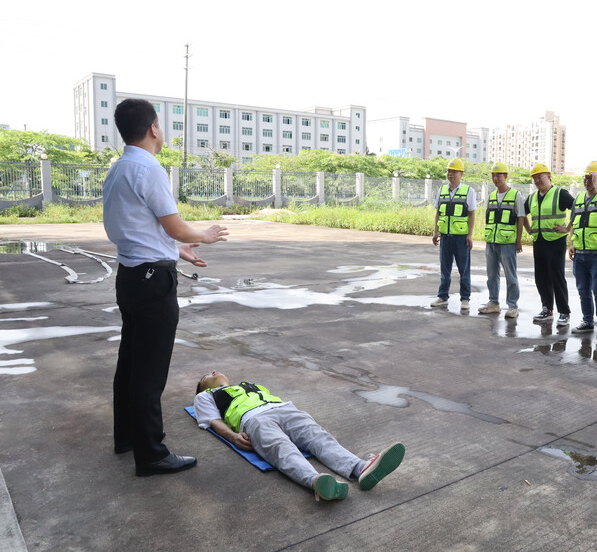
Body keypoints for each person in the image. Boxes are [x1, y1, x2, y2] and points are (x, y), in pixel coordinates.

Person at [103, 98, 229, 477]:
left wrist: (176, 249)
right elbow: (174, 224)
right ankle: (152, 454)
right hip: (153, 282)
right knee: (149, 371)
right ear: (153, 128)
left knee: (130, 363)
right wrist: (202, 236)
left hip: (131, 276)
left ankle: (127, 438)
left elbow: (136, 227)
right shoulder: (148, 168)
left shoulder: (119, 169)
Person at [194, 371, 405, 501]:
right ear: (203, 387)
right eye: (206, 376)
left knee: (320, 438)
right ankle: (317, 483)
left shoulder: (249, 384)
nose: (213, 371)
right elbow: (213, 421)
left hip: (285, 409)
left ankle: (361, 468)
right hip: (253, 420)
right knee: (281, 448)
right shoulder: (205, 396)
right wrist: (232, 437)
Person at [568, 161, 597, 336]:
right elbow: (574, 223)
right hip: (580, 254)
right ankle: (587, 321)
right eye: (585, 178)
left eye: (591, 178)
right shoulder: (579, 199)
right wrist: (571, 243)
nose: (587, 181)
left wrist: (596, 183)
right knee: (583, 290)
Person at [525, 163, 574, 327]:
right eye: (535, 178)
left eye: (541, 177)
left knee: (557, 277)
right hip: (539, 241)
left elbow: (577, 208)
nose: (538, 180)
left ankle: (564, 312)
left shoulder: (560, 193)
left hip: (555, 241)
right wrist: (528, 228)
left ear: (549, 176)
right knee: (541, 276)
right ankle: (547, 308)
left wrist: (567, 228)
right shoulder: (532, 197)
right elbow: (520, 212)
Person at [478, 162, 525, 319]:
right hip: (491, 241)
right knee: (492, 274)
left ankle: (512, 305)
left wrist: (518, 240)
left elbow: (521, 218)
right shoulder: (491, 196)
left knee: (510, 275)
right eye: (493, 175)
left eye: (498, 175)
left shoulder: (515, 195)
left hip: (507, 242)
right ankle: (493, 303)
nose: (495, 178)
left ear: (506, 176)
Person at [431, 158, 476, 311]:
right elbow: (438, 212)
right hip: (445, 237)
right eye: (449, 171)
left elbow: (472, 214)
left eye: (454, 171)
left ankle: (465, 299)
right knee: (445, 269)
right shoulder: (441, 190)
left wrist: (470, 235)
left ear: (461, 174)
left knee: (464, 270)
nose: (451, 174)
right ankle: (442, 296)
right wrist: (436, 232)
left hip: (461, 238)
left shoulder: (468, 191)